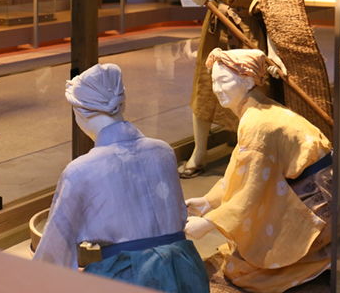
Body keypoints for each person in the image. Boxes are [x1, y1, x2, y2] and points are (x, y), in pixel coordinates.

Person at [33, 64, 210, 293]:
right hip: (185, 271)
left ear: (80, 112)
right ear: (121, 104)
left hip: (128, 278)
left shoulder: (80, 171)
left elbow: (54, 249)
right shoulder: (164, 151)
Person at [185, 48, 333, 293]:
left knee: (245, 272)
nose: (217, 89)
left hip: (319, 211)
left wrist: (208, 223)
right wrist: (206, 202)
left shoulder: (257, 123)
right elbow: (239, 170)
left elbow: (251, 191)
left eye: (224, 81)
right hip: (321, 194)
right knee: (241, 252)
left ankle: (316, 259)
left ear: (247, 80)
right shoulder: (259, 109)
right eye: (214, 82)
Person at [168, 0, 289, 178]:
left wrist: (273, 50)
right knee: (206, 86)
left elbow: (277, 1)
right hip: (218, 25)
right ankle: (199, 152)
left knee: (254, 89)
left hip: (254, 27)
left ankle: (247, 150)